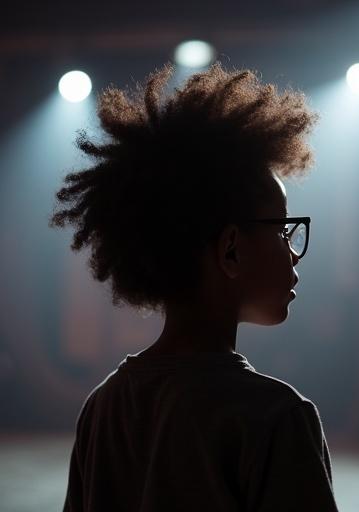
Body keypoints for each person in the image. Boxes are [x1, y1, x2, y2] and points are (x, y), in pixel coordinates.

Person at [50, 62, 338, 511]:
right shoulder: (276, 417)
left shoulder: (103, 406)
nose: (293, 250)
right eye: (281, 228)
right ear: (230, 250)